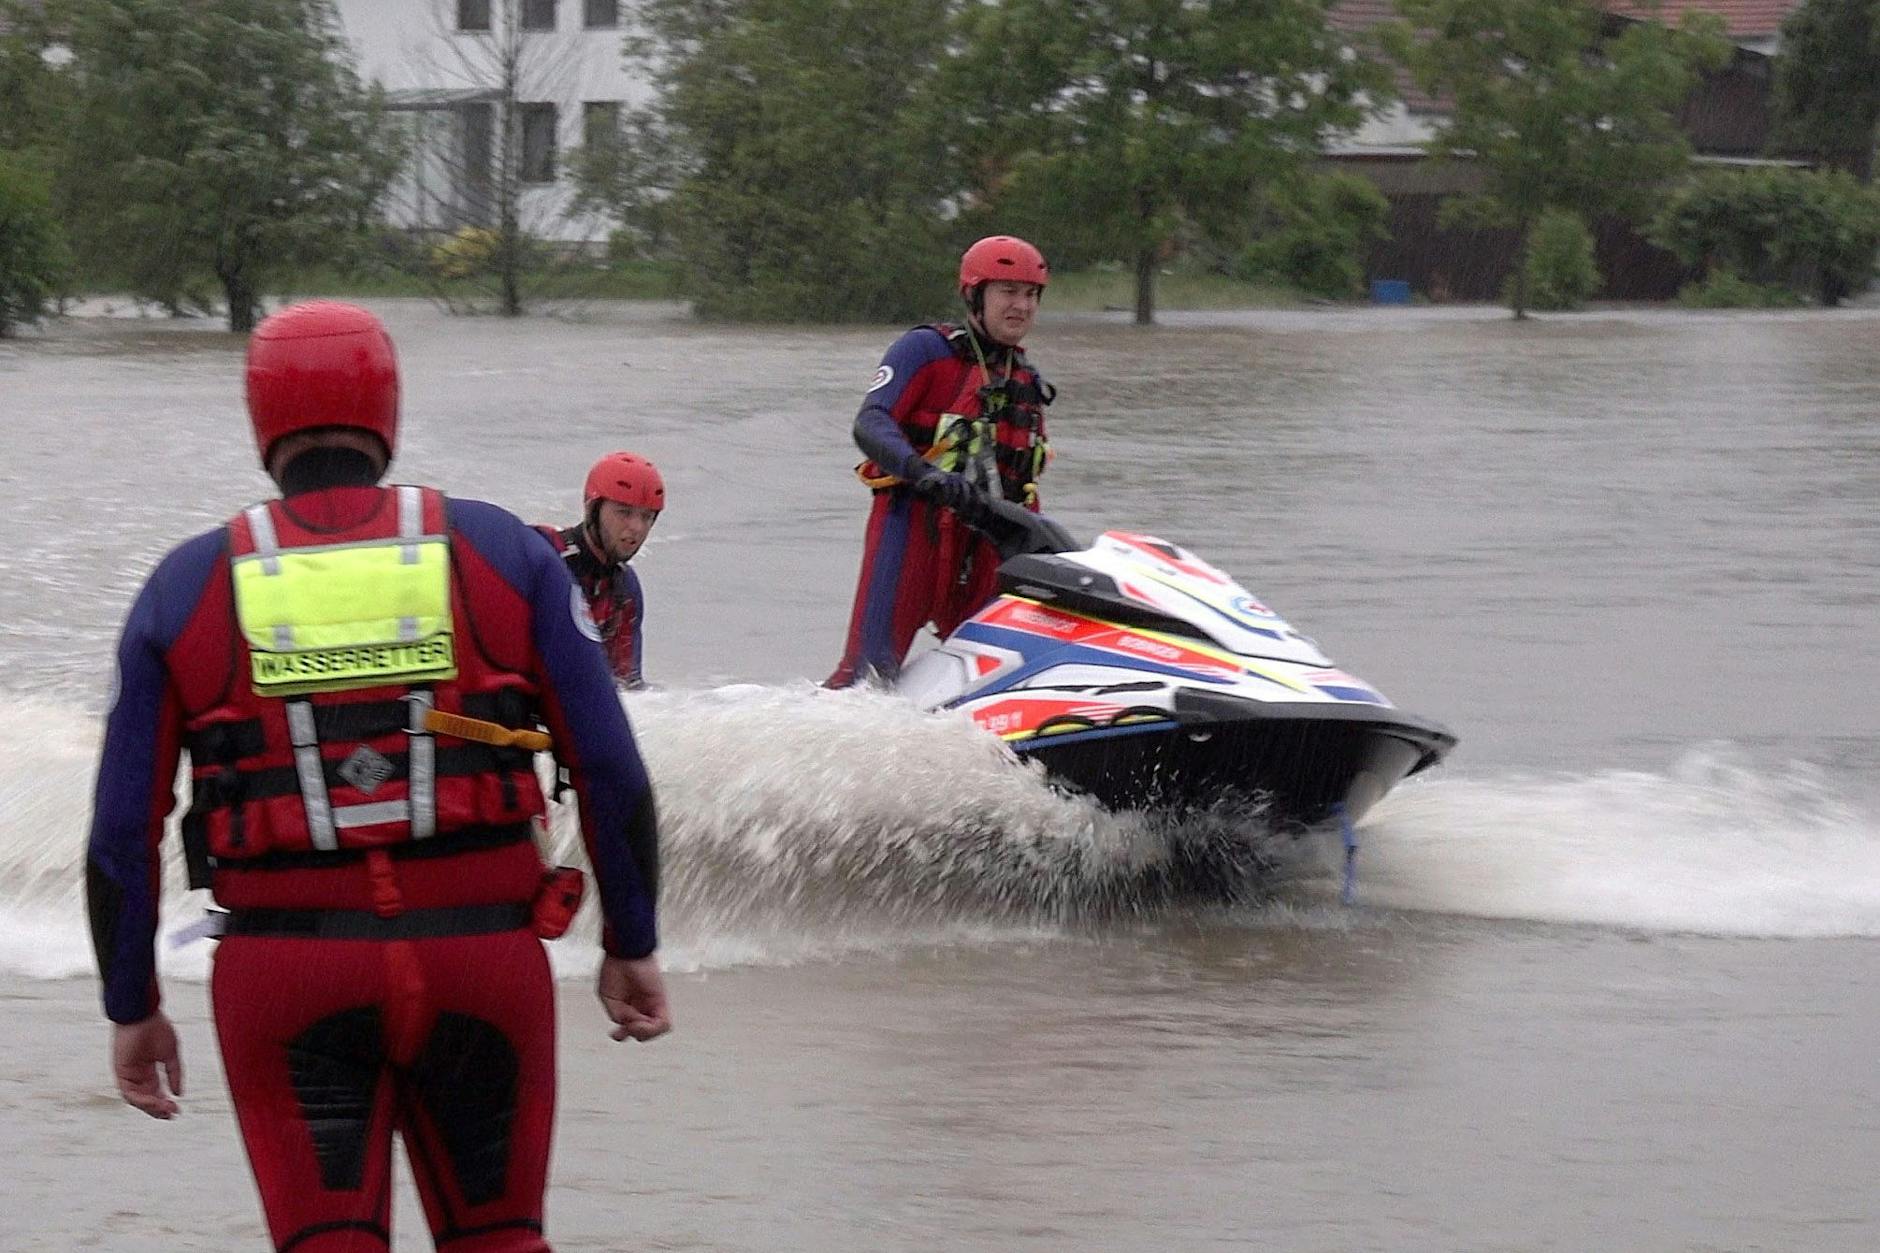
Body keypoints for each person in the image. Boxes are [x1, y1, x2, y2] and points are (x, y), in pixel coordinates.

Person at [86, 300, 670, 1253]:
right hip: (484, 961)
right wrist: (632, 941)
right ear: (387, 409)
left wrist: (132, 1004)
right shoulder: (506, 551)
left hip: (286, 980)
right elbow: (610, 770)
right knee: (504, 1240)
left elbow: (119, 835)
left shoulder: (186, 584)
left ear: (258, 417)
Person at [826, 235, 1056, 688]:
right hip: (914, 528)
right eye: (1008, 291)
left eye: (1031, 295)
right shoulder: (924, 352)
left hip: (991, 543)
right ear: (975, 294)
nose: (1022, 306)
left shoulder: (1026, 379)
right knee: (868, 677)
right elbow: (871, 422)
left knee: (1002, 674)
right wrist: (922, 472)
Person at [536, 452, 663, 690]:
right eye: (623, 512)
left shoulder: (625, 588)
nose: (636, 527)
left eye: (646, 516)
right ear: (592, 508)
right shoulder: (544, 555)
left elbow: (628, 686)